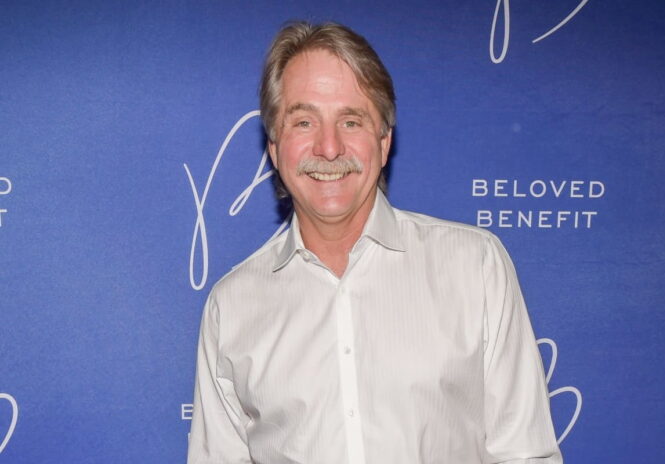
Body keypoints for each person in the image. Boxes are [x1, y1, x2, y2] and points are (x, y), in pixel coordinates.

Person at [188, 21, 562, 464]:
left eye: (351, 120)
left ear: (384, 142)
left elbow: (525, 454)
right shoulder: (231, 306)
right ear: (274, 147)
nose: (329, 147)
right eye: (304, 121)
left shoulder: (475, 267)